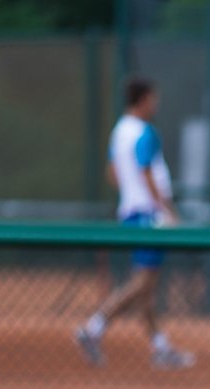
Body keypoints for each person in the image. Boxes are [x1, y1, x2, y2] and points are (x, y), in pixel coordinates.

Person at [75, 76, 194, 370]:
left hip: (131, 211)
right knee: (143, 282)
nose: (156, 105)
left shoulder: (119, 132)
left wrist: (130, 196)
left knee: (147, 286)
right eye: (153, 99)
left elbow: (112, 173)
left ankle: (159, 347)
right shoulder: (145, 132)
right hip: (148, 214)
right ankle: (93, 328)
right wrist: (166, 210)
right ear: (143, 100)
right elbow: (146, 173)